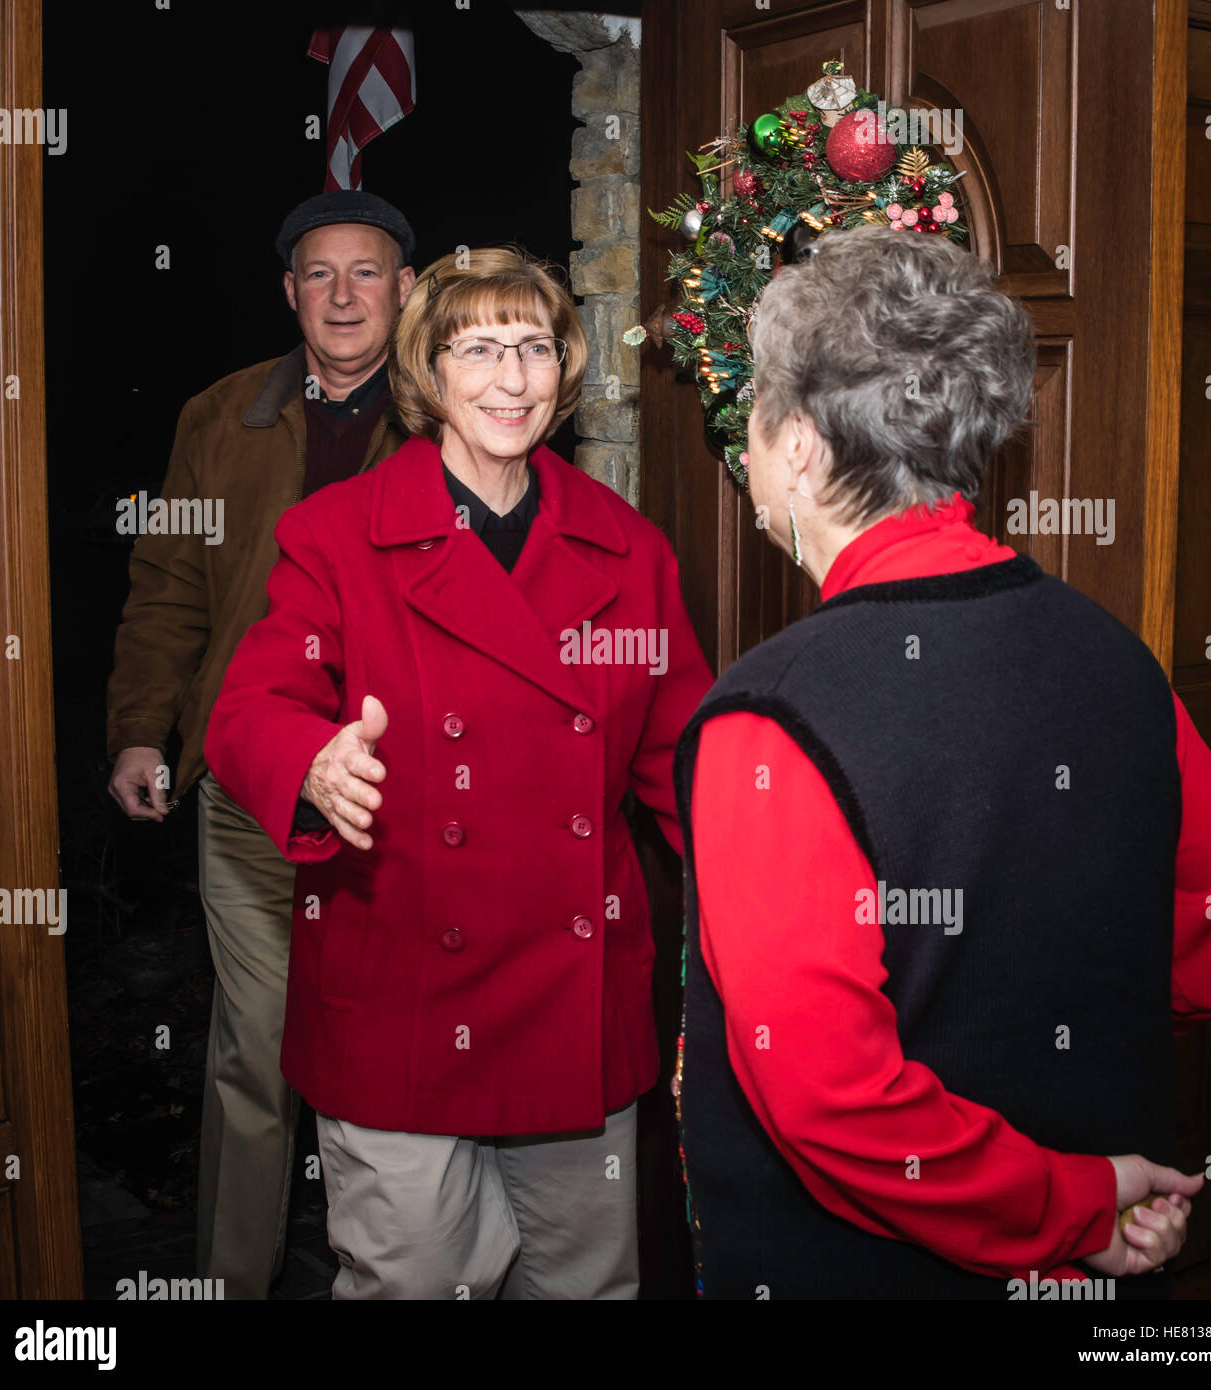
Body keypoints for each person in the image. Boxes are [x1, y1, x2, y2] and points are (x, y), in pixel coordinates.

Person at [674, 225, 1211, 1299]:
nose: (745, 453)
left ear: (798, 443)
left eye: (749, 421)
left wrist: (1061, 1205)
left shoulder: (767, 715)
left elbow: (826, 1095)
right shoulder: (1114, 655)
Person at [203, 246, 714, 1299]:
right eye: (477, 348)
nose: (511, 379)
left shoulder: (628, 549)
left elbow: (686, 761)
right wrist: (311, 762)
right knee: (413, 1282)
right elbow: (250, 709)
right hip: (401, 995)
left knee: (587, 1286)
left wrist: (788, 861)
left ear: (564, 369)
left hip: (576, 1010)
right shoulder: (338, 538)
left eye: (533, 347)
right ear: (428, 373)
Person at [105, 190, 416, 1298]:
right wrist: (144, 729)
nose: (341, 295)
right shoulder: (218, 415)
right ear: (289, 293)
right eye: (318, 274)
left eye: (365, 272)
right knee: (254, 1054)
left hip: (402, 797)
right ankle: (230, 1283)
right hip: (251, 787)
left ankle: (383, 1270)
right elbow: (167, 587)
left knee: (393, 1049)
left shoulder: (448, 410)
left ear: (406, 289)